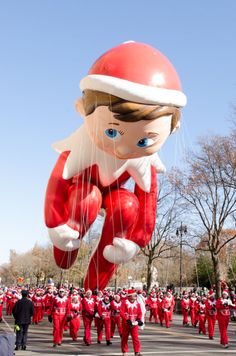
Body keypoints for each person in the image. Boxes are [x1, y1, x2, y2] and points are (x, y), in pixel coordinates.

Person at [44, 41, 187, 291]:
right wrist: (55, 223)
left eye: (142, 141)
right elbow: (58, 183)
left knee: (129, 206)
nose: (121, 150)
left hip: (116, 196)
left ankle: (98, 277)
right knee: (87, 197)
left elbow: (147, 204)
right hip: (84, 190)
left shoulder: (143, 162)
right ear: (82, 110)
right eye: (111, 132)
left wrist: (134, 240)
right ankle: (67, 243)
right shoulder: (81, 146)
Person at [120, 289, 143, 356]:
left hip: (134, 324)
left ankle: (137, 352)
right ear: (130, 296)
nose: (135, 296)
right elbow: (121, 312)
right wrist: (127, 319)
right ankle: (124, 352)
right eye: (134, 295)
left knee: (135, 338)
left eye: (135, 295)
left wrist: (139, 320)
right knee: (124, 338)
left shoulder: (137, 304)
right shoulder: (124, 302)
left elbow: (140, 313)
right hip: (126, 324)